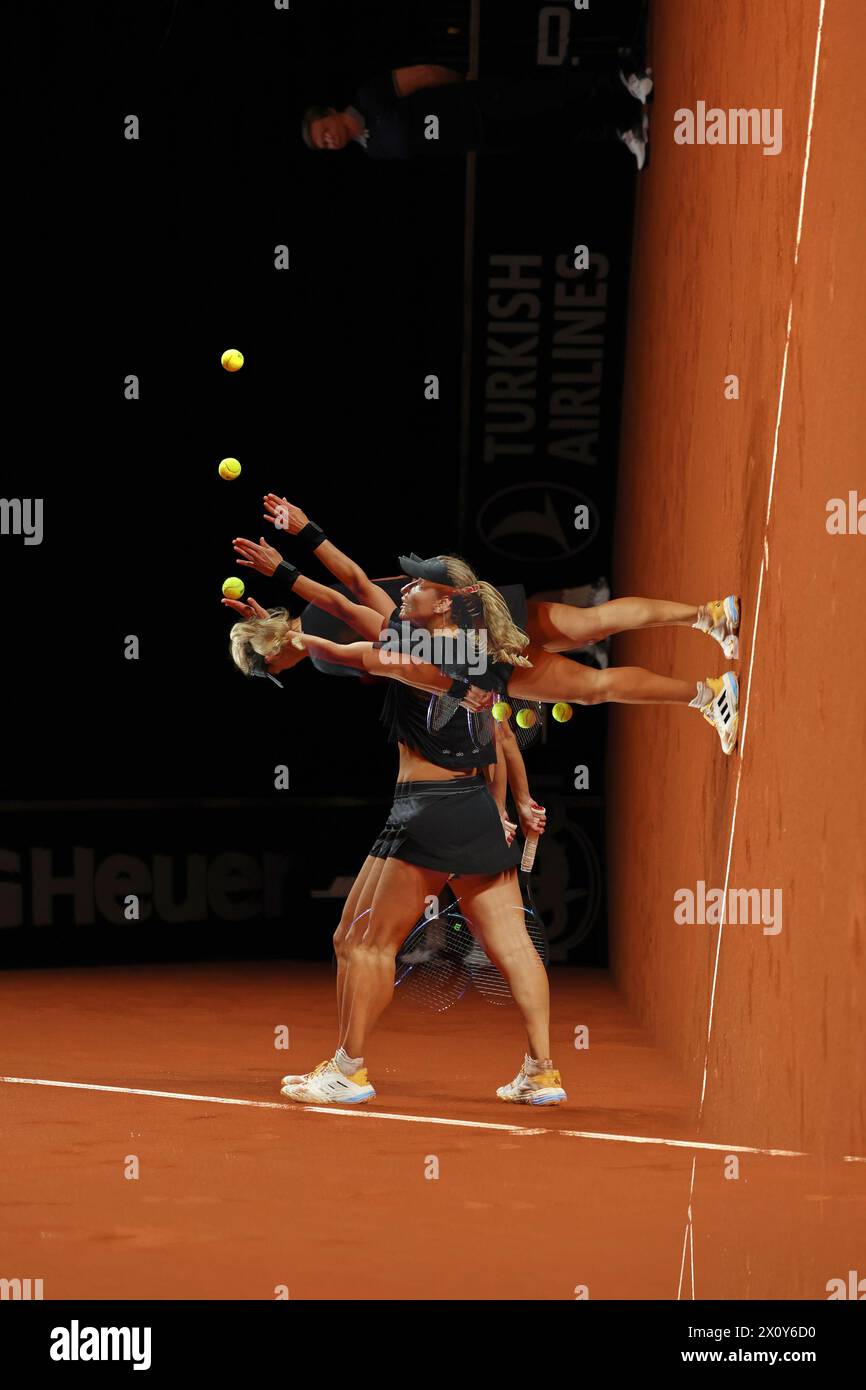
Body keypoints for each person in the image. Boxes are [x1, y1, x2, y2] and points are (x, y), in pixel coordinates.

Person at [224, 541, 563, 1108]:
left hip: (426, 810)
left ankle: (350, 1070)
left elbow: (346, 608)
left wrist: (280, 622)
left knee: (367, 944)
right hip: (472, 805)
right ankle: (542, 1070)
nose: (404, 592)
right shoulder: (476, 650)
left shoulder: (415, 648)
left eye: (415, 589)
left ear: (447, 603)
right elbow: (497, 737)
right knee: (509, 947)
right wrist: (506, 807)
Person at [246, 497, 741, 755]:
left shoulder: (333, 648)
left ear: (274, 655)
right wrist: (299, 538)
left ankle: (710, 694)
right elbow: (355, 585)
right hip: (471, 609)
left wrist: (464, 692)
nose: (282, 671)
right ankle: (710, 616)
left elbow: (353, 607)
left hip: (467, 657)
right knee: (590, 624)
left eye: (273, 668)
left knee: (592, 688)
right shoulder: (377, 622)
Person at [301, 60, 653, 169]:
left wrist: (463, 85)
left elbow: (422, 75)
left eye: (324, 131)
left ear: (331, 113)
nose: (329, 139)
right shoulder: (372, 150)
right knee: (552, 131)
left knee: (551, 94)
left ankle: (625, 82)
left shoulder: (368, 96)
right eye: (324, 144)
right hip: (480, 136)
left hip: (476, 102)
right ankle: (623, 131)